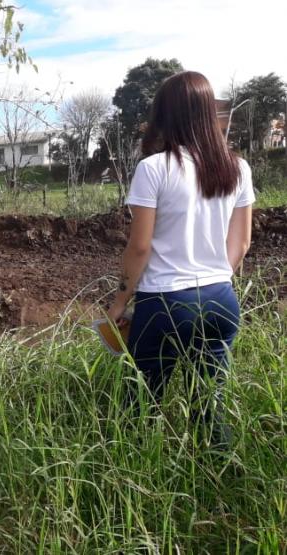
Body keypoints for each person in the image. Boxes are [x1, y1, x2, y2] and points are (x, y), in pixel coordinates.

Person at [107, 70, 254, 448]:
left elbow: (139, 247)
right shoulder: (237, 168)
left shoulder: (154, 169)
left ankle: (129, 482)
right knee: (209, 405)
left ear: (164, 115)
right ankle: (223, 485)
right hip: (222, 298)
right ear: (208, 113)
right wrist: (212, 279)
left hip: (166, 303)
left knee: (138, 407)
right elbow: (241, 244)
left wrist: (120, 302)